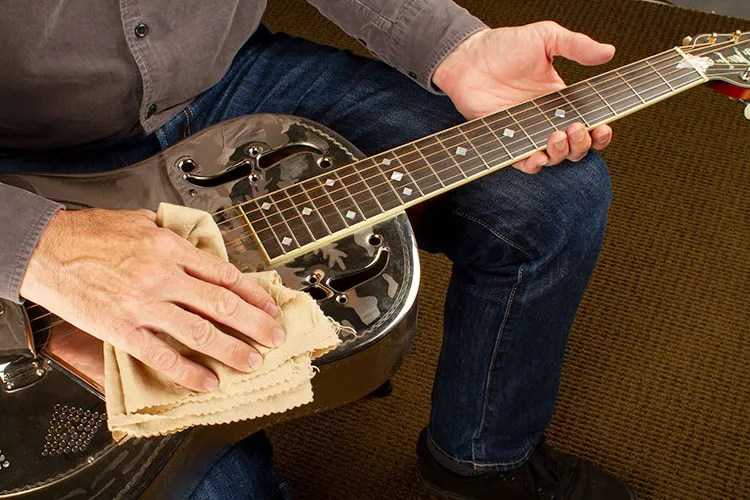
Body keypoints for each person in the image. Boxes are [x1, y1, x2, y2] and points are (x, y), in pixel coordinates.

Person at [0, 1, 635, 499]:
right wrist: (39, 244)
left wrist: (455, 48)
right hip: (23, 166)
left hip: (230, 78)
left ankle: (480, 459)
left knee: (555, 196)